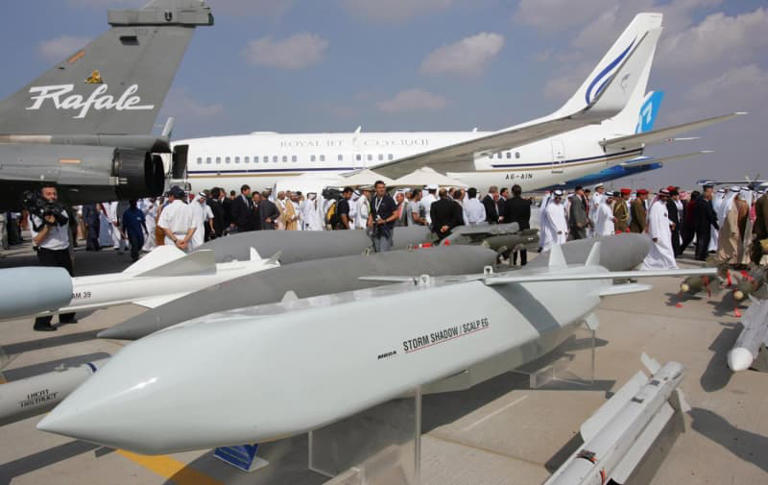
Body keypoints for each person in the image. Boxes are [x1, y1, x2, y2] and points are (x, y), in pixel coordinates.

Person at [30, 186, 76, 331]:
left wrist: (70, 253)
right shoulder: (37, 214)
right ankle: (42, 322)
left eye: (54, 193)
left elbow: (67, 232)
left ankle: (67, 316)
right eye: (48, 194)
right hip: (48, 252)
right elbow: (36, 240)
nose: (52, 196)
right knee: (50, 289)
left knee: (69, 285)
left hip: (63, 251)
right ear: (42, 196)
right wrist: (48, 225)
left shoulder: (62, 210)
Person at [642, 189, 678, 270]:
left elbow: (664, 217)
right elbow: (653, 220)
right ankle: (672, 266)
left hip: (665, 232)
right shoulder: (656, 206)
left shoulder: (663, 205)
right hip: (658, 233)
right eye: (663, 196)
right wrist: (654, 235)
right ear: (660, 196)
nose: (665, 198)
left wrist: (671, 223)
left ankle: (664, 266)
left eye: (667, 196)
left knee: (661, 251)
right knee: (666, 250)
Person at [157, 186, 196, 252]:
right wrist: (186, 240)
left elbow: (164, 227)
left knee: (172, 260)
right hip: (186, 239)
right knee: (185, 261)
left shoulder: (167, 208)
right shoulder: (190, 208)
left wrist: (176, 240)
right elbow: (193, 227)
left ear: (172, 196)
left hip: (171, 240)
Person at [503, 185, 532, 265]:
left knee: (513, 248)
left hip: (513, 228)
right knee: (523, 248)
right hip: (524, 227)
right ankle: (523, 262)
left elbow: (506, 217)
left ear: (512, 192)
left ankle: (513, 263)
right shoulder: (526, 203)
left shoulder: (508, 203)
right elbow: (528, 216)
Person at [367, 180, 398, 252]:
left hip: (386, 229)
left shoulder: (389, 199)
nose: (382, 189)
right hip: (376, 229)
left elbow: (396, 214)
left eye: (383, 187)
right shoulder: (373, 200)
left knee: (383, 251)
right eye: (379, 188)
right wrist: (370, 220)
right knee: (377, 250)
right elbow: (372, 212)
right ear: (375, 189)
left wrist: (385, 221)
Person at [716, 186, 742, 265]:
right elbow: (730, 218)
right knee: (733, 246)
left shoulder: (726, 202)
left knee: (723, 245)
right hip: (730, 228)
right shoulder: (730, 204)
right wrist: (733, 229)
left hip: (724, 226)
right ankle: (733, 261)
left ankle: (721, 259)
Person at [693, 184, 719, 261]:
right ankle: (700, 255)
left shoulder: (707, 200)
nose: (711, 193)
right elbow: (709, 213)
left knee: (705, 240)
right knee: (702, 240)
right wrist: (715, 224)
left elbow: (712, 211)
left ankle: (703, 253)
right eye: (710, 191)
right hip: (701, 224)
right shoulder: (701, 200)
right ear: (706, 191)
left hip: (706, 224)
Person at [752, 190, 768, 265]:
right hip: (764, 229)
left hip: (761, 228)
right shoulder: (765, 201)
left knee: (759, 246)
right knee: (762, 247)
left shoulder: (762, 199)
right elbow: (766, 216)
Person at [666, 187, 682, 256]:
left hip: (674, 224)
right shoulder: (670, 203)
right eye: (677, 195)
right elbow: (671, 215)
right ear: (674, 196)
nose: (678, 197)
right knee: (673, 239)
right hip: (673, 224)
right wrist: (672, 224)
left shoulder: (672, 202)